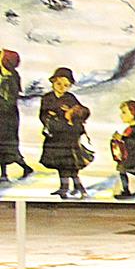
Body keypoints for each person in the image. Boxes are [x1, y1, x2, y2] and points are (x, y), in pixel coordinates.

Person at [39, 67, 90, 199]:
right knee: (61, 164)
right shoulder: (47, 98)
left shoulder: (70, 98)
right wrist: (49, 119)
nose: (62, 87)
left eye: (66, 85)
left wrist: (70, 115)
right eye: (59, 83)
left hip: (69, 137)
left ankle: (69, 188)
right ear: (53, 82)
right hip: (54, 136)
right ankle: (72, 187)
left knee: (68, 165)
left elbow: (79, 113)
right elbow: (42, 115)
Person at [0, 49, 34, 182]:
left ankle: (25, 167)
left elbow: (10, 99)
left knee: (8, 146)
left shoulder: (12, 77)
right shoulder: (2, 74)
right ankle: (4, 174)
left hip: (7, 117)